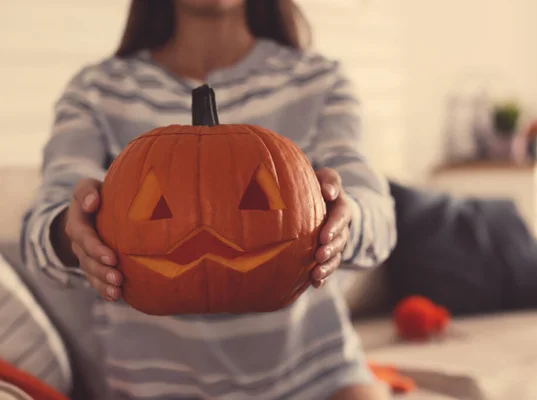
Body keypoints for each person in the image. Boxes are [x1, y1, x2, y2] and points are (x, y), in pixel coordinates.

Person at [21, 0, 397, 399]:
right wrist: (71, 233)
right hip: (157, 389)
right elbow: (41, 228)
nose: (207, 237)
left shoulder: (319, 80)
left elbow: (378, 218)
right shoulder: (97, 92)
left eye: (255, 199)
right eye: (158, 206)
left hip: (318, 378)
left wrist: (346, 217)